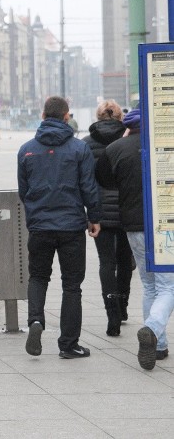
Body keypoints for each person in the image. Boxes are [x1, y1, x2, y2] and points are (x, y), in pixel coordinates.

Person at [18, 96, 101, 360]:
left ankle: (35, 321)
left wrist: (34, 215)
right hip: (71, 227)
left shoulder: (27, 149)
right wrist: (94, 218)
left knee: (38, 277)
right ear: (67, 116)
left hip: (40, 226)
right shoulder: (79, 149)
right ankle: (68, 344)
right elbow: (88, 187)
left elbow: (24, 191)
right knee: (71, 286)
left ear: (43, 116)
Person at [96, 106, 173, 370]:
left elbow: (105, 180)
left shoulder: (116, 148)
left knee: (150, 284)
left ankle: (159, 345)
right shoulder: (165, 144)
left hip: (132, 225)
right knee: (169, 285)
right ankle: (152, 328)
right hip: (165, 225)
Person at [83, 100, 132, 336]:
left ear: (98, 116)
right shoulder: (129, 139)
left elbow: (84, 181)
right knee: (125, 260)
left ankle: (111, 312)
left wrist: (89, 213)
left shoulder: (86, 144)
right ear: (120, 116)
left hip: (99, 211)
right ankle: (122, 306)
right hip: (127, 209)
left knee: (106, 262)